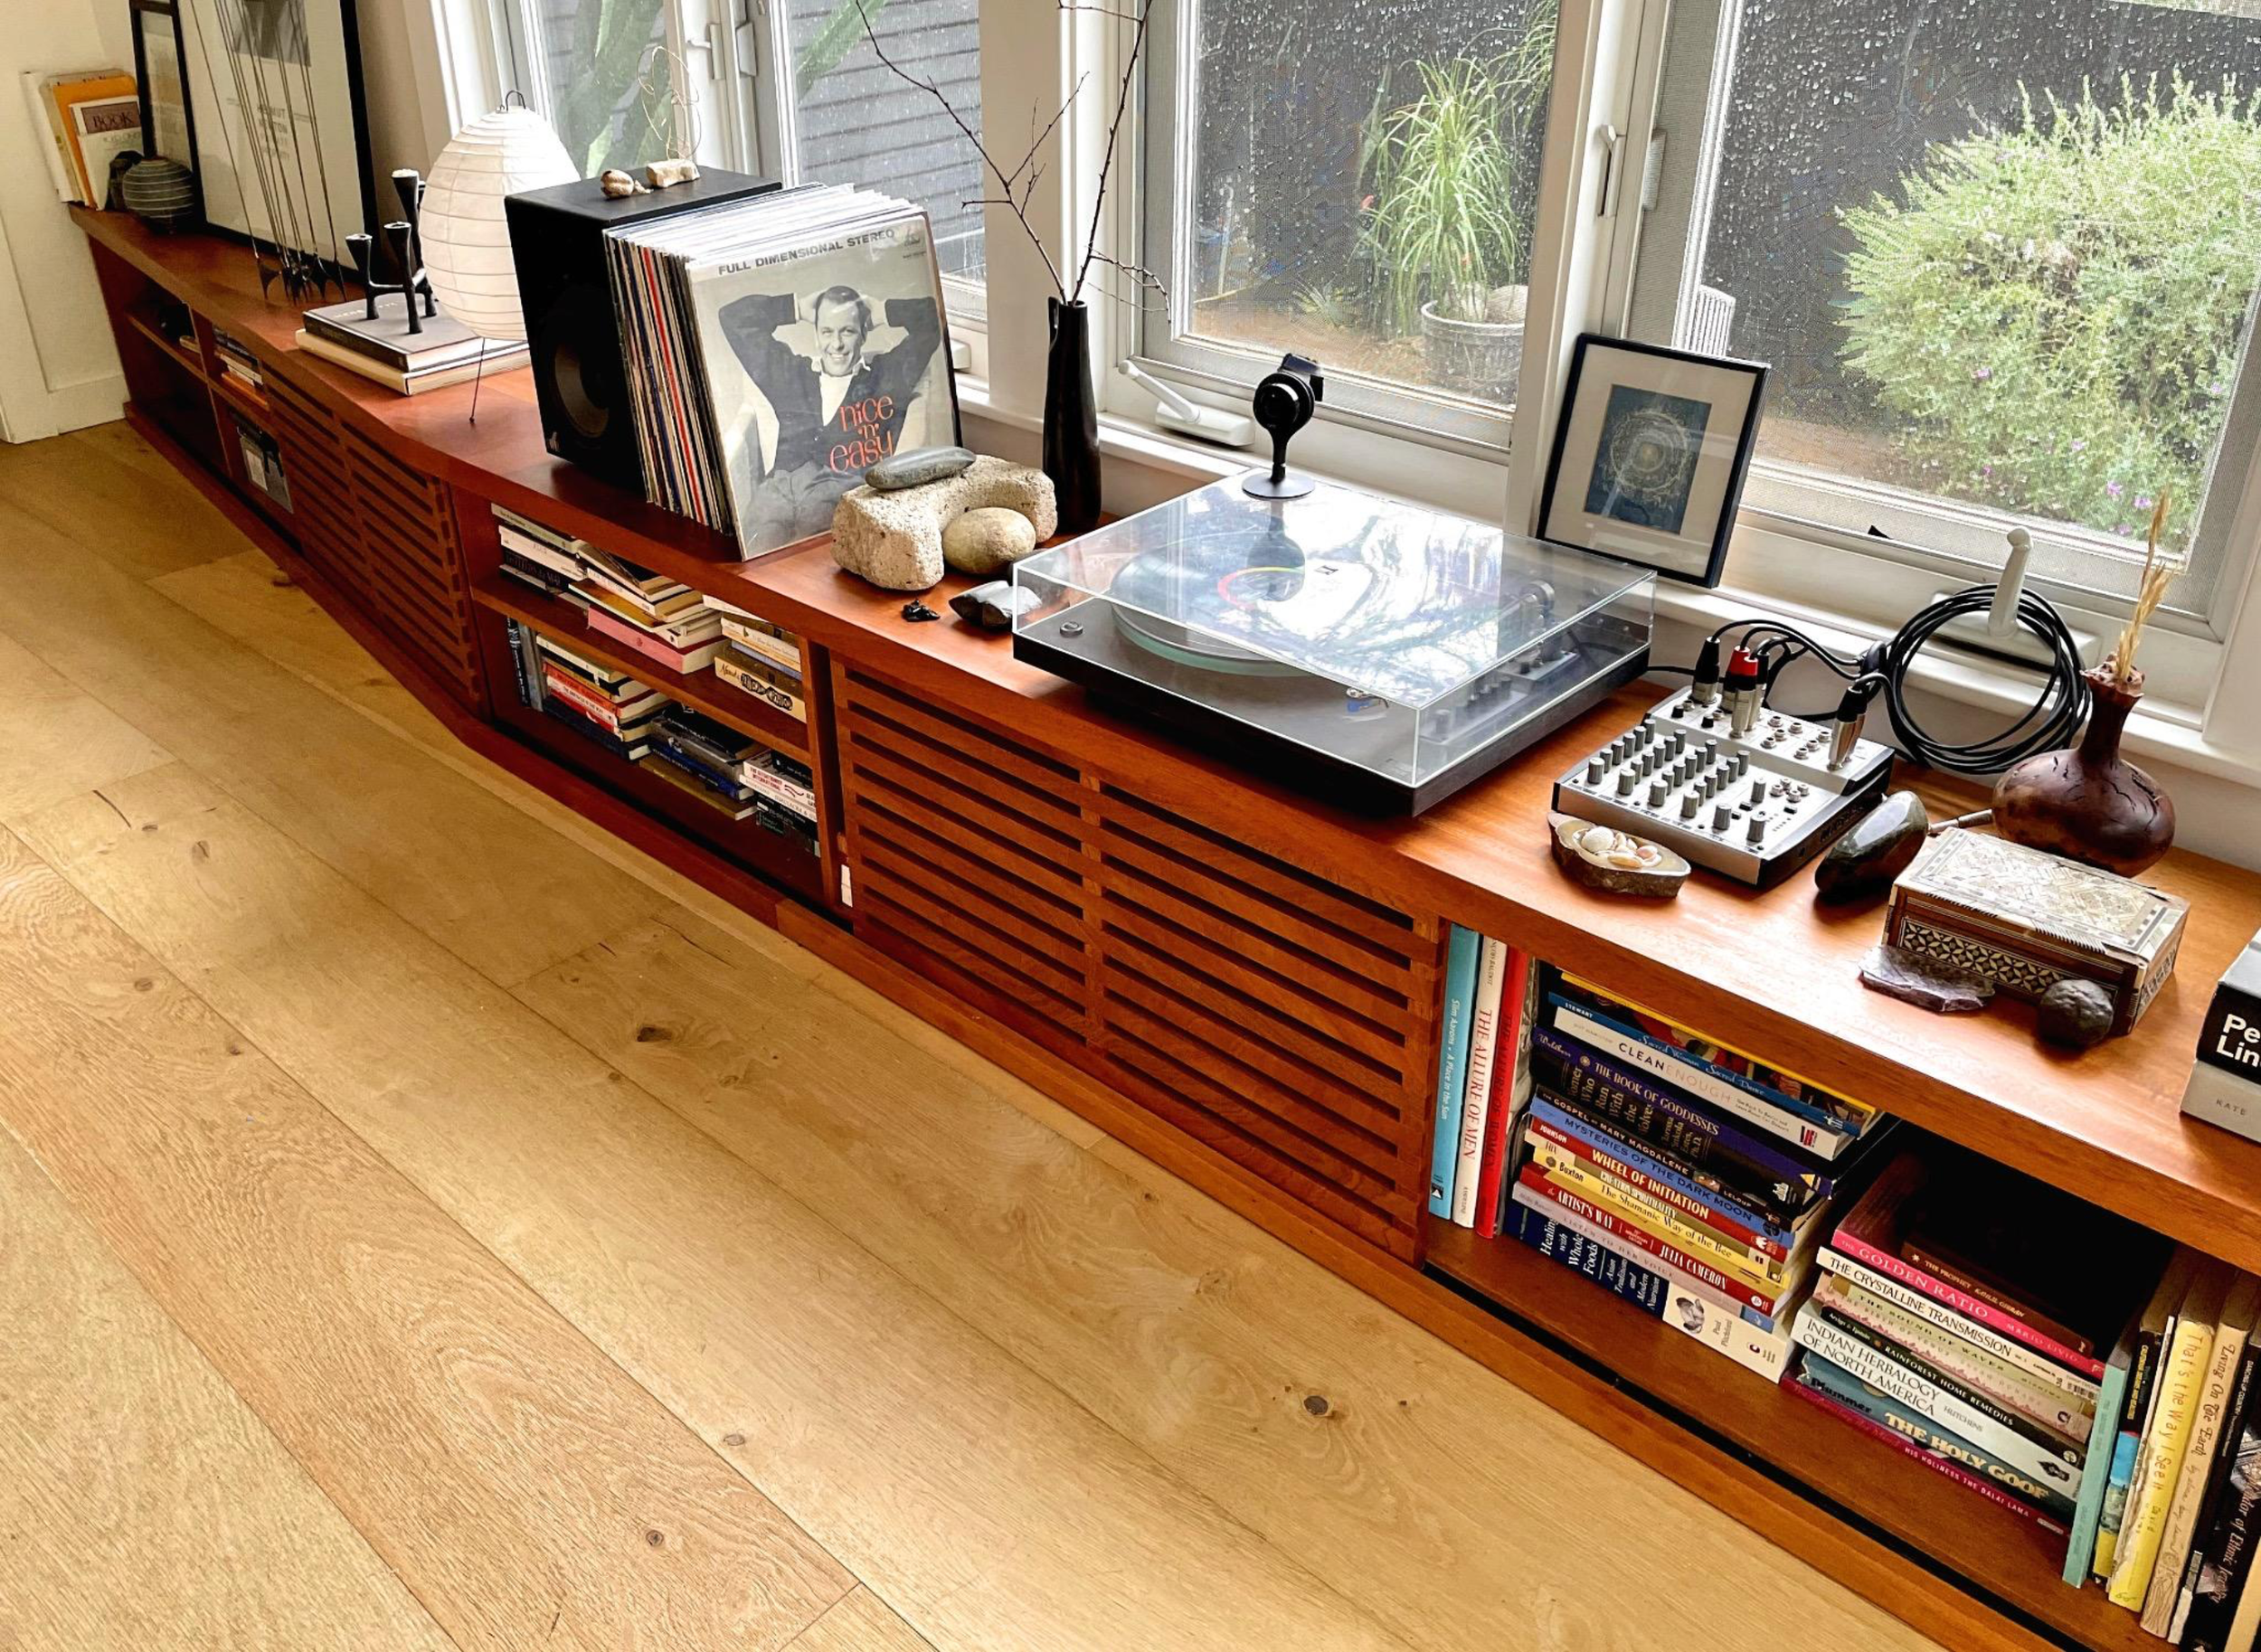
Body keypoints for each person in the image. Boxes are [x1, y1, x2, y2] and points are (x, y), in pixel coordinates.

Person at [720, 283, 943, 548]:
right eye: (827, 331)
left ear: (863, 334)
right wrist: (796, 307)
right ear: (816, 336)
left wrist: (881, 311)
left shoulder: (887, 376)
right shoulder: (791, 373)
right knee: (754, 553)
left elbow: (933, 319)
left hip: (837, 492)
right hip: (777, 490)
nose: (836, 344)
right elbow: (733, 317)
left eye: (847, 331)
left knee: (806, 561)